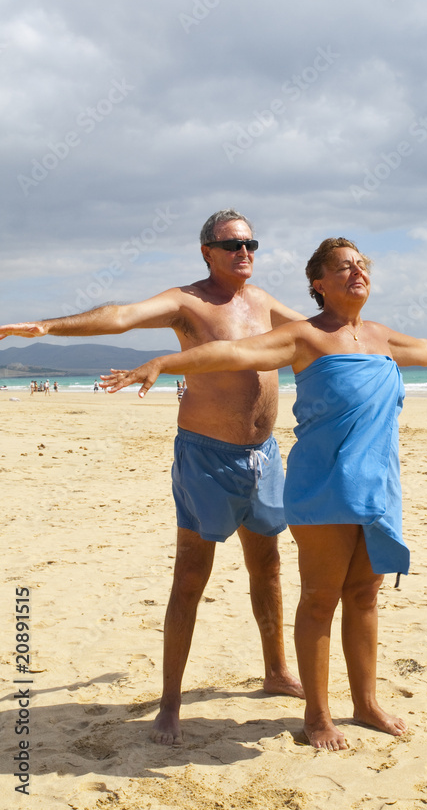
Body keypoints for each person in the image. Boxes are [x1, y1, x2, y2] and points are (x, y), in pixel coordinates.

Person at [101, 237, 427, 750]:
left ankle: (366, 703)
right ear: (318, 284)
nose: (358, 272)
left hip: (377, 487)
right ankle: (318, 715)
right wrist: (167, 363)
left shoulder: (382, 338)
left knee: (366, 596)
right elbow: (232, 352)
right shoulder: (303, 337)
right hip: (324, 486)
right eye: (344, 267)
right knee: (321, 599)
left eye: (362, 265)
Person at [0, 209, 305, 745]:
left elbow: (317, 335)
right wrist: (47, 327)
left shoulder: (264, 303)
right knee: (190, 576)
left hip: (264, 455)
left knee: (270, 567)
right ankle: (169, 703)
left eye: (252, 242)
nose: (245, 252)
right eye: (232, 244)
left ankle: (277, 670)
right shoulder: (187, 302)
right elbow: (120, 315)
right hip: (207, 458)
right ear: (207, 251)